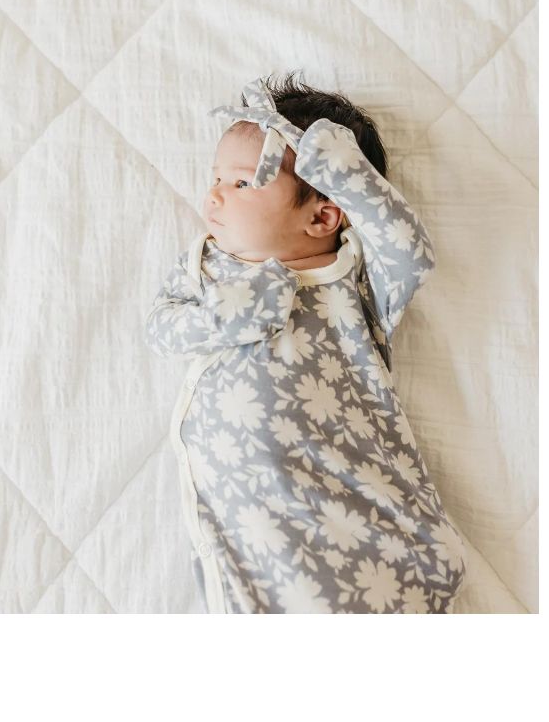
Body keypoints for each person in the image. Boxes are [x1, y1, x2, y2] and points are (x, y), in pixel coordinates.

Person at [144, 71, 466, 613]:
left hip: (347, 490)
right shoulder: (208, 267)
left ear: (322, 215)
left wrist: (351, 177)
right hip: (255, 515)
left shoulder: (351, 281)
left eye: (242, 184)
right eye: (216, 177)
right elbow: (161, 328)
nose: (214, 194)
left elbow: (411, 255)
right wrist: (230, 314)